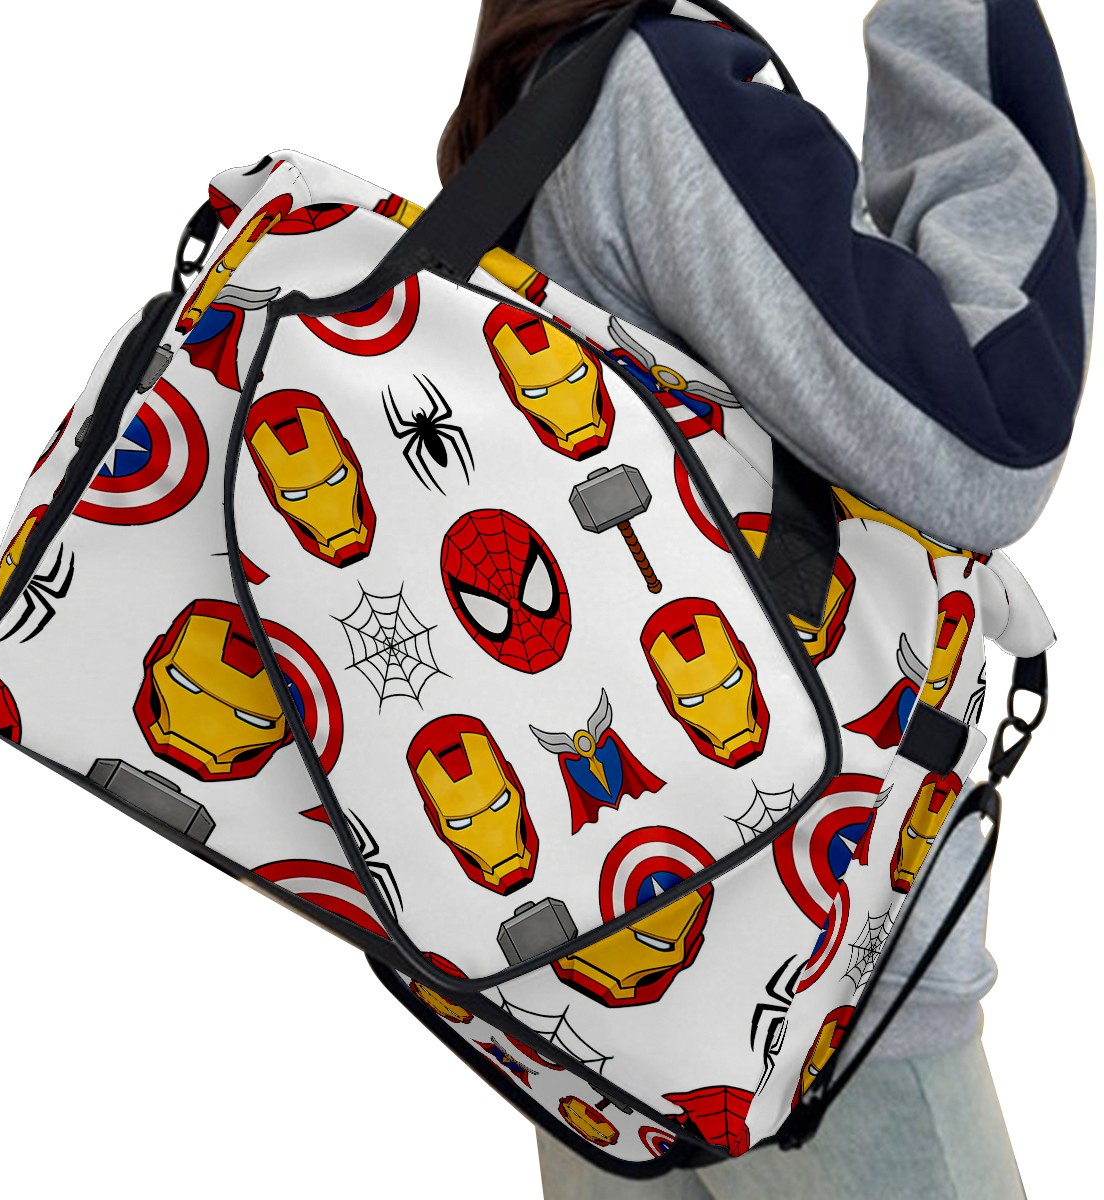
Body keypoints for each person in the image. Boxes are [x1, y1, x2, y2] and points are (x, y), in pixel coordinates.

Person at [438, 2, 1094, 1196]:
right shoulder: (657, 93)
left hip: (595, 1001)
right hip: (817, 993)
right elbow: (989, 435)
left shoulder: (524, 130)